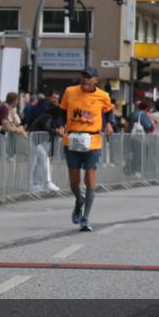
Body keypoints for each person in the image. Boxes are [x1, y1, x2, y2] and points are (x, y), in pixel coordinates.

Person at [55, 67, 114, 232]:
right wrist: (60, 126)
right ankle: (79, 200)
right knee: (74, 182)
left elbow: (109, 111)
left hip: (93, 141)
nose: (85, 80)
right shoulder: (70, 92)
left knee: (89, 178)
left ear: (96, 80)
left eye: (88, 78)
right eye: (83, 77)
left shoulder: (103, 96)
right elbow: (61, 111)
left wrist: (109, 123)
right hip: (72, 139)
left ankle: (85, 218)